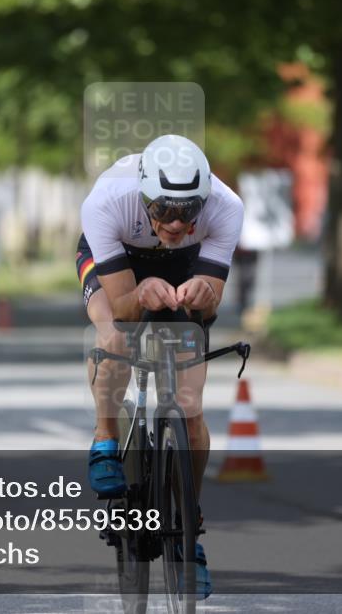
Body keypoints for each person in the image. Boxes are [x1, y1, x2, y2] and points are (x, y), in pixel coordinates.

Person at [77, 134, 243, 600]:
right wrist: (140, 292)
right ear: (144, 196)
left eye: (188, 211)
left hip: (183, 266)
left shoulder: (227, 208)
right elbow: (126, 310)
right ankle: (105, 436)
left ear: (204, 200)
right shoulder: (108, 202)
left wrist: (204, 299)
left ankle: (190, 533)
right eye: (163, 210)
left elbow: (205, 314)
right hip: (120, 261)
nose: (175, 222)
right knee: (115, 333)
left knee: (191, 417)